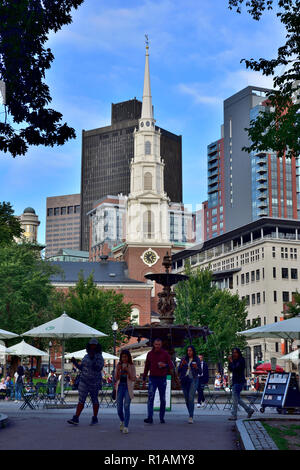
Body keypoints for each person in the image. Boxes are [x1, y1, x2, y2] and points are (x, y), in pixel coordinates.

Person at [67, 339, 104, 426]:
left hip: (94, 382)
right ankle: (76, 417)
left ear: (97, 346)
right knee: (81, 400)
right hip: (84, 381)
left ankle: (95, 417)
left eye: (94, 345)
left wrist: (93, 359)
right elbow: (82, 368)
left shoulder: (99, 356)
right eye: (91, 345)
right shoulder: (86, 356)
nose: (92, 346)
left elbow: (98, 368)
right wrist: (75, 362)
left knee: (94, 400)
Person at [142, 338, 173, 424]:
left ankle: (161, 417)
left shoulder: (165, 354)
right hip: (152, 378)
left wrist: (165, 365)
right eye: (156, 344)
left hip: (162, 378)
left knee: (162, 398)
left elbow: (171, 365)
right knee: (150, 397)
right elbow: (146, 366)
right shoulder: (150, 354)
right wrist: (144, 378)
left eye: (159, 345)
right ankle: (150, 417)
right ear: (153, 344)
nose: (157, 346)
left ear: (161, 345)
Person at [228, 348, 254, 421]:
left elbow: (236, 368)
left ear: (239, 353)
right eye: (233, 352)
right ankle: (249, 410)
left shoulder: (241, 360)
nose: (234, 354)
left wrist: (231, 361)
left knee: (235, 399)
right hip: (235, 381)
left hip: (239, 381)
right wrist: (230, 362)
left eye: (236, 353)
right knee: (237, 399)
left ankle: (234, 415)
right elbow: (231, 369)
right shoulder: (234, 361)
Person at [178, 346, 202, 423]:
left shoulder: (196, 359)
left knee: (191, 397)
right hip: (184, 380)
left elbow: (200, 372)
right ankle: (190, 413)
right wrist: (181, 365)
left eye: (190, 351)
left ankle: (191, 416)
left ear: (193, 351)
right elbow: (178, 370)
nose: (189, 352)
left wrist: (196, 367)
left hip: (193, 380)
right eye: (188, 351)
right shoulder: (183, 359)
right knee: (186, 399)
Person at [114, 350, 136, 434]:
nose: (124, 358)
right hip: (120, 387)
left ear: (128, 357)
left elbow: (133, 378)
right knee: (119, 408)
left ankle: (126, 426)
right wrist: (118, 371)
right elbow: (116, 378)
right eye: (123, 357)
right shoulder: (118, 365)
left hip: (128, 387)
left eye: (126, 357)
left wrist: (128, 371)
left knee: (126, 406)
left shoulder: (131, 365)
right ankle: (122, 420)